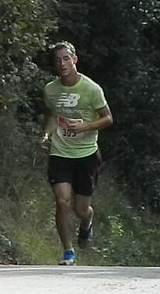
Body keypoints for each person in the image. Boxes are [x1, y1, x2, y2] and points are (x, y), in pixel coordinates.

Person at [41, 41, 113, 265]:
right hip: (60, 153)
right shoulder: (50, 89)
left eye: (66, 58)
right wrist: (46, 135)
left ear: (74, 60)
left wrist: (86, 127)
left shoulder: (91, 89)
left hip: (86, 154)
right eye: (57, 60)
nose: (62, 64)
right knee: (62, 200)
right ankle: (68, 251)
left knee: (80, 209)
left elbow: (108, 118)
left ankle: (87, 220)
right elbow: (53, 115)